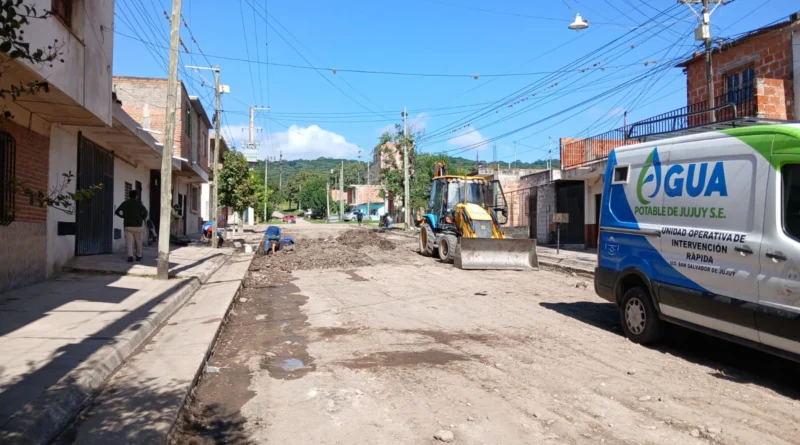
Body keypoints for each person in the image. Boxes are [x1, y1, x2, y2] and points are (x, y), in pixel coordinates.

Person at [115, 190, 148, 262]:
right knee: (138, 241)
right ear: (136, 196)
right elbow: (145, 212)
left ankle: (130, 256)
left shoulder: (125, 203)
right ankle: (139, 256)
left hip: (128, 226)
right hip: (138, 226)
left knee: (129, 242)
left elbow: (116, 212)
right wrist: (142, 218)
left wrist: (123, 216)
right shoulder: (139, 203)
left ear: (129, 196)